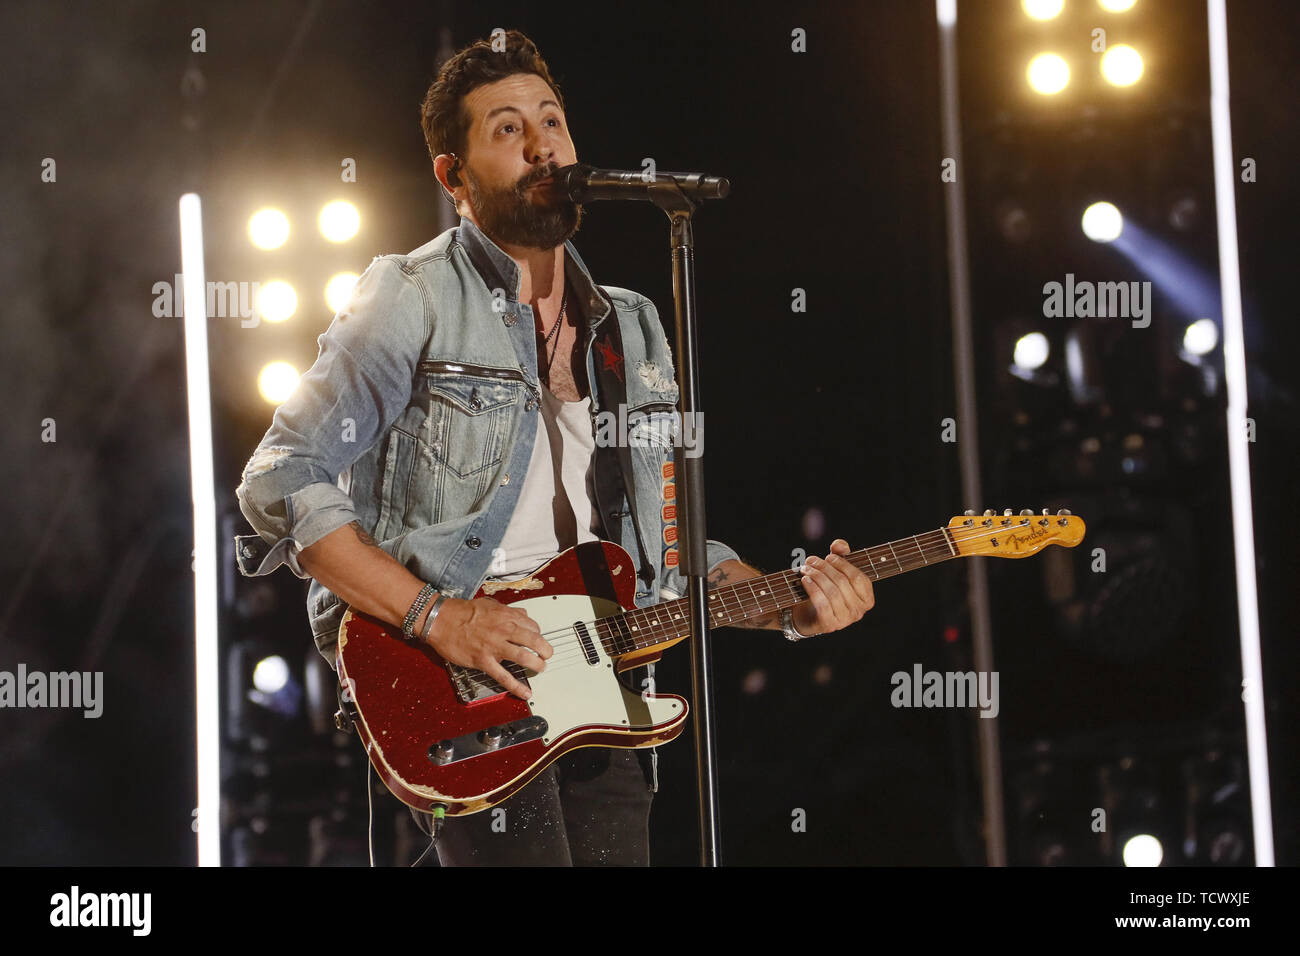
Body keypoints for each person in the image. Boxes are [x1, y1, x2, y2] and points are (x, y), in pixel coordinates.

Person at [233, 29, 875, 866]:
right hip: (461, 674)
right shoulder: (411, 295)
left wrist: (790, 603)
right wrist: (438, 617)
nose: (543, 145)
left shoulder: (634, 323)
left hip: (605, 683)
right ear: (452, 176)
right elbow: (281, 476)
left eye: (553, 122)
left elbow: (666, 548)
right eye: (506, 129)